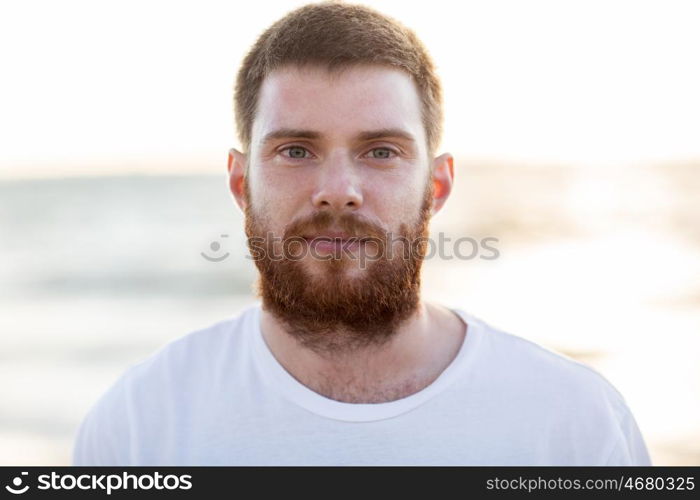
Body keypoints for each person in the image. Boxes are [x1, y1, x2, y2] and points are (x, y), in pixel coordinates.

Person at [72, 1, 652, 465]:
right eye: (296, 150)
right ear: (241, 182)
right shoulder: (140, 422)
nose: (338, 189)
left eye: (381, 151)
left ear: (438, 185)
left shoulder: (574, 420)